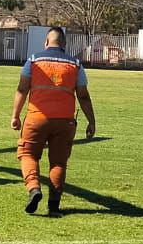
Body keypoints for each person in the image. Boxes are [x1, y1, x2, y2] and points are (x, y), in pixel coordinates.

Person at [10, 27, 96, 217]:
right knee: (58, 163)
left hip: (36, 118)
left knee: (28, 154)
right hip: (65, 122)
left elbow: (22, 89)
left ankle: (34, 188)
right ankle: (54, 206)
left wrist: (15, 115)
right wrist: (91, 122)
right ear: (64, 44)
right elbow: (83, 96)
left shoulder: (33, 60)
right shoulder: (76, 64)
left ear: (46, 43)